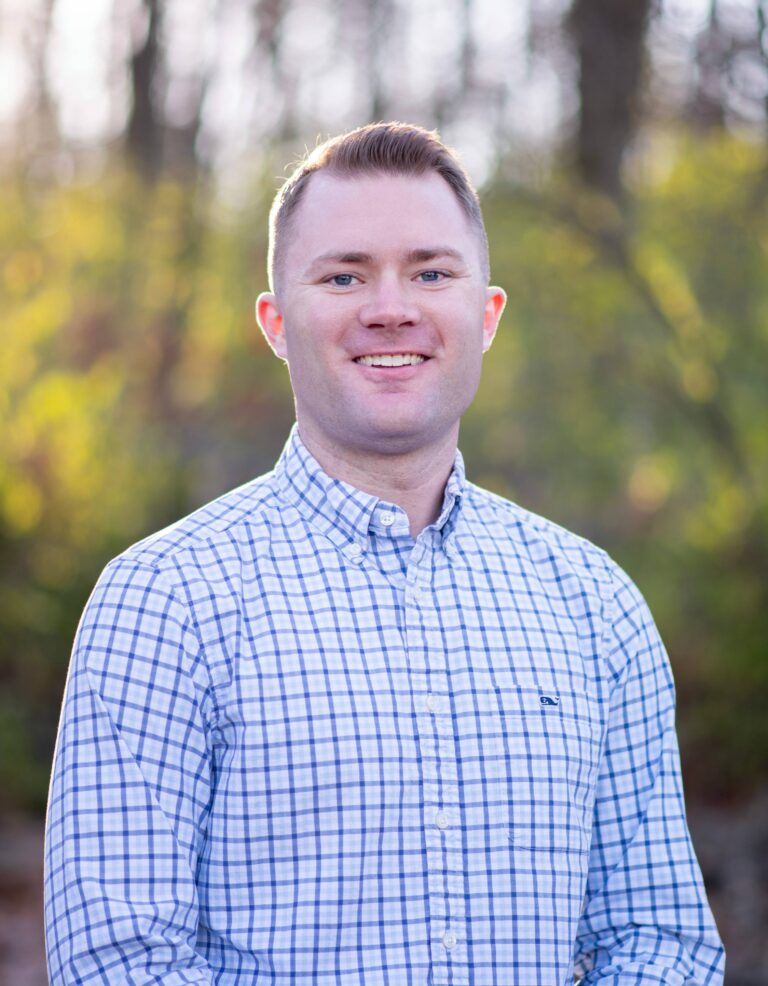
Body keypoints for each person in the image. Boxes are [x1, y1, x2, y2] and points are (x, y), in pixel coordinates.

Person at [44, 122, 725, 985]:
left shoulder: (596, 605)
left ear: (486, 316)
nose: (391, 306)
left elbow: (659, 938)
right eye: (343, 275)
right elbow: (118, 963)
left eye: (431, 272)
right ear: (277, 322)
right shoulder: (164, 601)